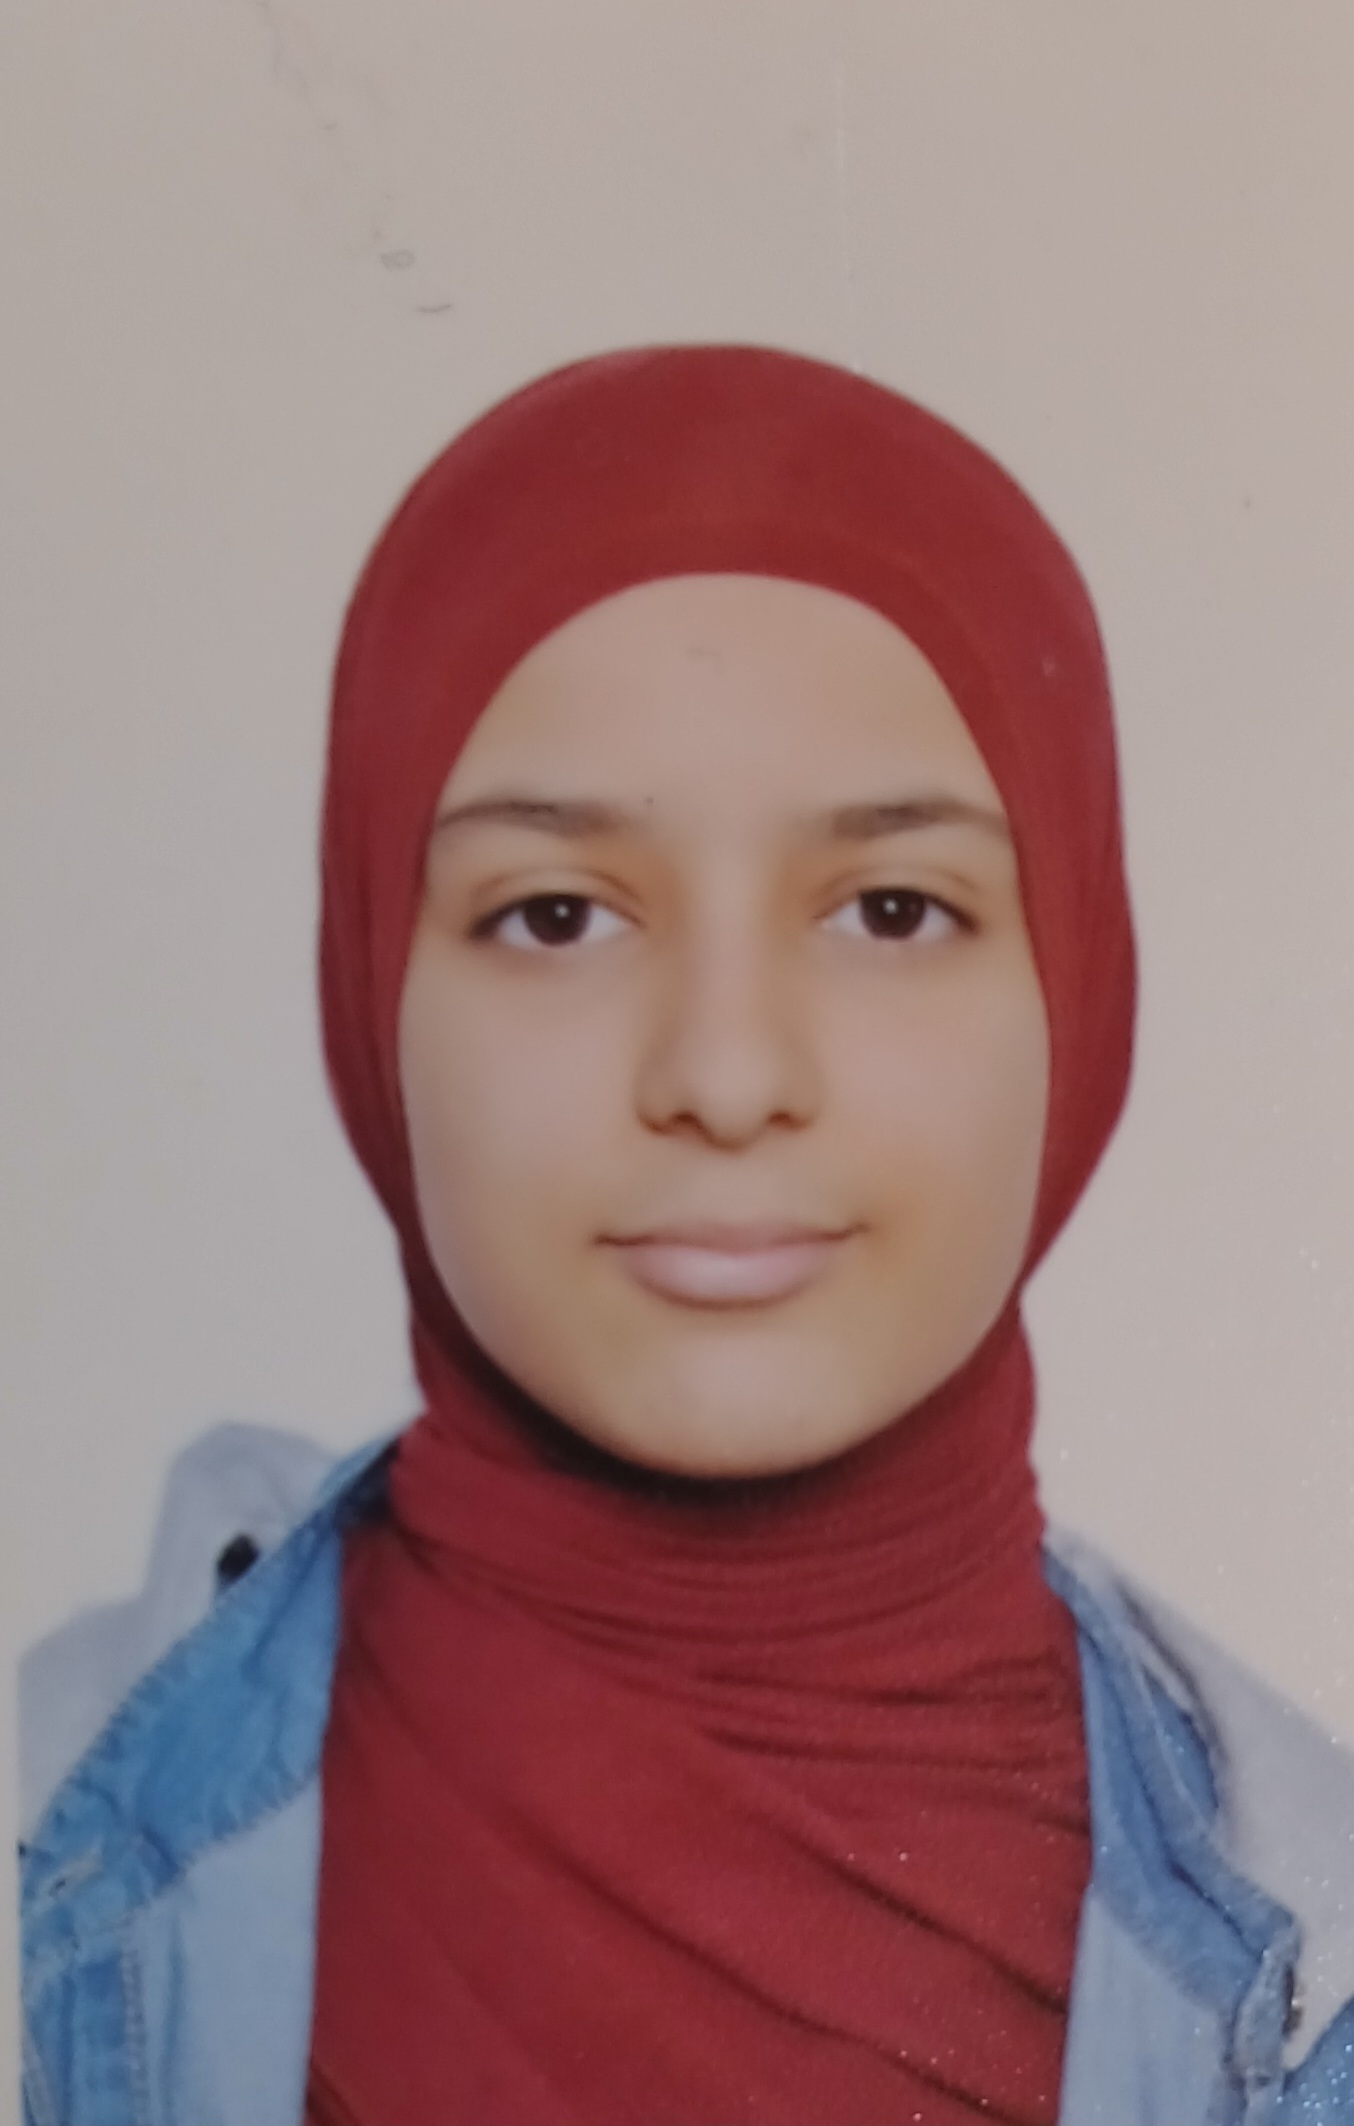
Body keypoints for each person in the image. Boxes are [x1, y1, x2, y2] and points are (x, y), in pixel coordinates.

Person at [18, 346, 1354, 2126]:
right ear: (372, 986)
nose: (726, 1075)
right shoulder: (46, 1835)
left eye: (893, 908)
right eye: (556, 915)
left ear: (1076, 993)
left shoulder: (1317, 1975)